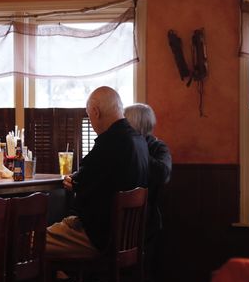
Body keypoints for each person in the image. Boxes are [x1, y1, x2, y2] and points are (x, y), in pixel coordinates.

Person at [45, 86, 149, 258]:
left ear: (95, 111)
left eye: (89, 115)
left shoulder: (111, 143)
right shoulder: (139, 142)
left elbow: (83, 181)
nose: (91, 122)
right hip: (128, 238)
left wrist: (75, 183)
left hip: (99, 237)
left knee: (29, 243)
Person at [124, 103, 172, 242]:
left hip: (147, 219)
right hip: (120, 215)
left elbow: (163, 174)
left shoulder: (158, 147)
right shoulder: (123, 147)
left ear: (136, 125)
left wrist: (139, 150)